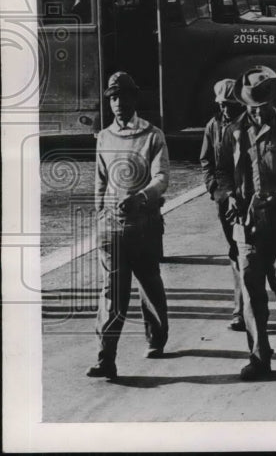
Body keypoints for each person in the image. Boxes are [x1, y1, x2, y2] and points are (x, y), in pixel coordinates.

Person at [216, 66, 276, 380]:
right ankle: (260, 357)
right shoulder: (232, 131)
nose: (256, 112)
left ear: (271, 101)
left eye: (261, 105)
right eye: (251, 106)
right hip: (247, 224)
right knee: (251, 290)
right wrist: (229, 195)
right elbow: (220, 172)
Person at [87, 71, 170, 381]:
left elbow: (162, 179)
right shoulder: (104, 137)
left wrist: (141, 197)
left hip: (145, 225)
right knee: (112, 292)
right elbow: (100, 181)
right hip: (111, 229)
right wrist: (99, 216)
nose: (118, 103)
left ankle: (156, 337)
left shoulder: (153, 136)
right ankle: (106, 357)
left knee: (149, 281)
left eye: (123, 96)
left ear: (135, 99)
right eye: (113, 97)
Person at [200, 78, 275, 332]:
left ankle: (257, 309)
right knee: (235, 252)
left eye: (230, 104)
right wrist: (216, 191)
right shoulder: (213, 127)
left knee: (256, 254)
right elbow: (208, 162)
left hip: (251, 199)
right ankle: (241, 309)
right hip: (226, 199)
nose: (225, 110)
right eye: (221, 105)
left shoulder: (249, 126)